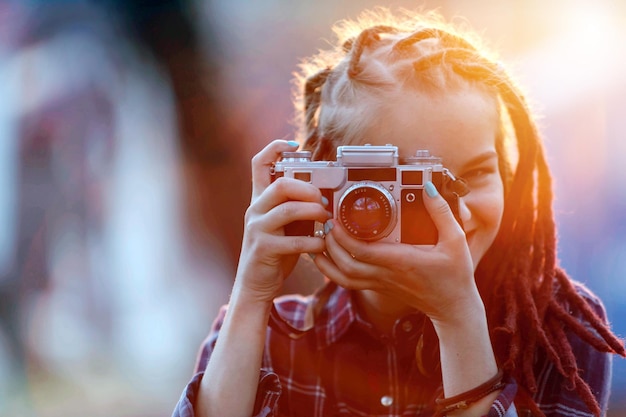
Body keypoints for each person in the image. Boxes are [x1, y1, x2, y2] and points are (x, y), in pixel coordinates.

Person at [172, 8, 625, 417]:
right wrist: (252, 291)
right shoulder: (268, 334)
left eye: (476, 174)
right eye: (409, 183)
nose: (454, 210)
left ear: (508, 173)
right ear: (324, 185)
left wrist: (457, 316)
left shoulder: (558, 333)